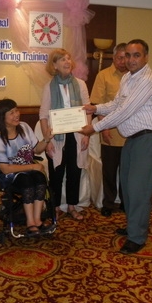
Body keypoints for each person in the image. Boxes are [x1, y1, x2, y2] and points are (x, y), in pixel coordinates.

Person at [81, 39, 152, 255]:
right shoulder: (129, 78)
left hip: (149, 140)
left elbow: (124, 111)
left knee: (139, 190)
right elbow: (117, 104)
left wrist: (95, 127)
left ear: (146, 57)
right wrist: (96, 107)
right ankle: (132, 226)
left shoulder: (147, 80)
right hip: (133, 139)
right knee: (128, 188)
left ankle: (137, 237)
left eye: (136, 55)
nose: (130, 60)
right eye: (127, 55)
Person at [39, 48, 91, 221]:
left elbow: (88, 110)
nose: (67, 62)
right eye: (62, 59)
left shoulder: (81, 84)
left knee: (75, 173)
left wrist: (87, 134)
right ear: (54, 65)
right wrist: (47, 140)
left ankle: (71, 206)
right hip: (57, 138)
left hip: (77, 135)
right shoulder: (49, 87)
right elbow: (44, 115)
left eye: (68, 58)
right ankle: (54, 207)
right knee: (57, 174)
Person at [0, 99, 53, 235]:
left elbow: (37, 150)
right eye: (11, 113)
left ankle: (38, 221)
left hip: (28, 169)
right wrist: (32, 167)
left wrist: (47, 139)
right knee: (27, 182)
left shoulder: (24, 127)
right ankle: (30, 222)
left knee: (40, 180)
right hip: (8, 176)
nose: (16, 114)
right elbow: (5, 169)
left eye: (16, 110)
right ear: (2, 117)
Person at [90, 43, 128, 217]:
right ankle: (108, 203)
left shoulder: (134, 77)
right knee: (110, 171)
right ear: (113, 58)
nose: (123, 61)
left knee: (128, 171)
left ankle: (126, 202)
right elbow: (98, 105)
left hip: (131, 134)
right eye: (120, 57)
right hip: (110, 131)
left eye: (126, 57)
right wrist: (103, 128)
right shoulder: (103, 76)